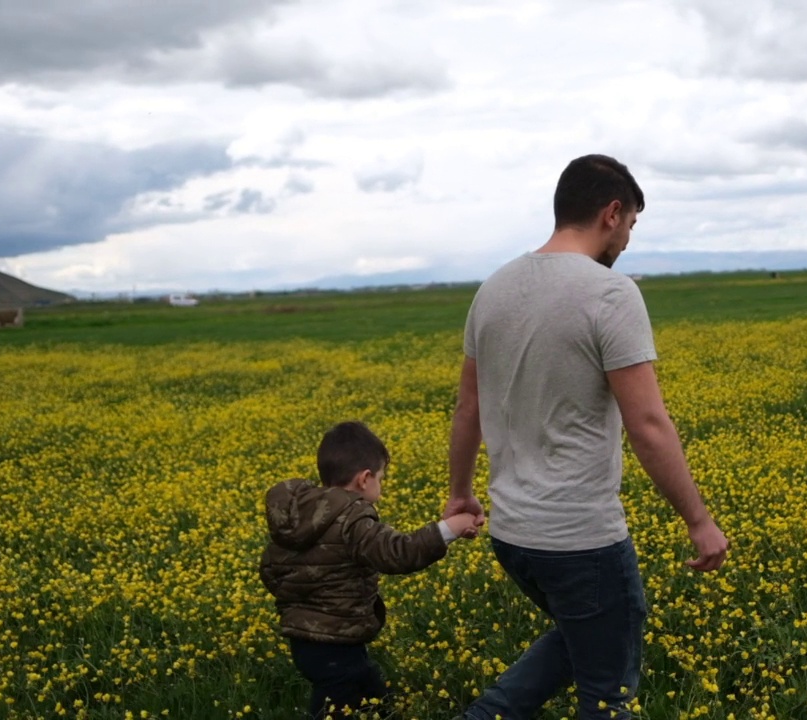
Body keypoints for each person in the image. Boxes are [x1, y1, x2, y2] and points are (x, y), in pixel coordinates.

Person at [446, 154, 729, 719]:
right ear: (612, 212)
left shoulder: (493, 289)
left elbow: (467, 406)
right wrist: (699, 522)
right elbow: (648, 424)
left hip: (514, 534)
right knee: (607, 691)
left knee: (585, 640)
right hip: (579, 538)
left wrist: (461, 491)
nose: (627, 239)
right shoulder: (610, 292)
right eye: (630, 226)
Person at [260, 420, 483, 719]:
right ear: (365, 479)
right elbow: (398, 553)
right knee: (334, 704)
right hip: (335, 641)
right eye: (381, 477)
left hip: (306, 640)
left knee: (372, 692)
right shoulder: (352, 519)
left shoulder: (300, 517)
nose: (381, 484)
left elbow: (270, 568)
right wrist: (448, 529)